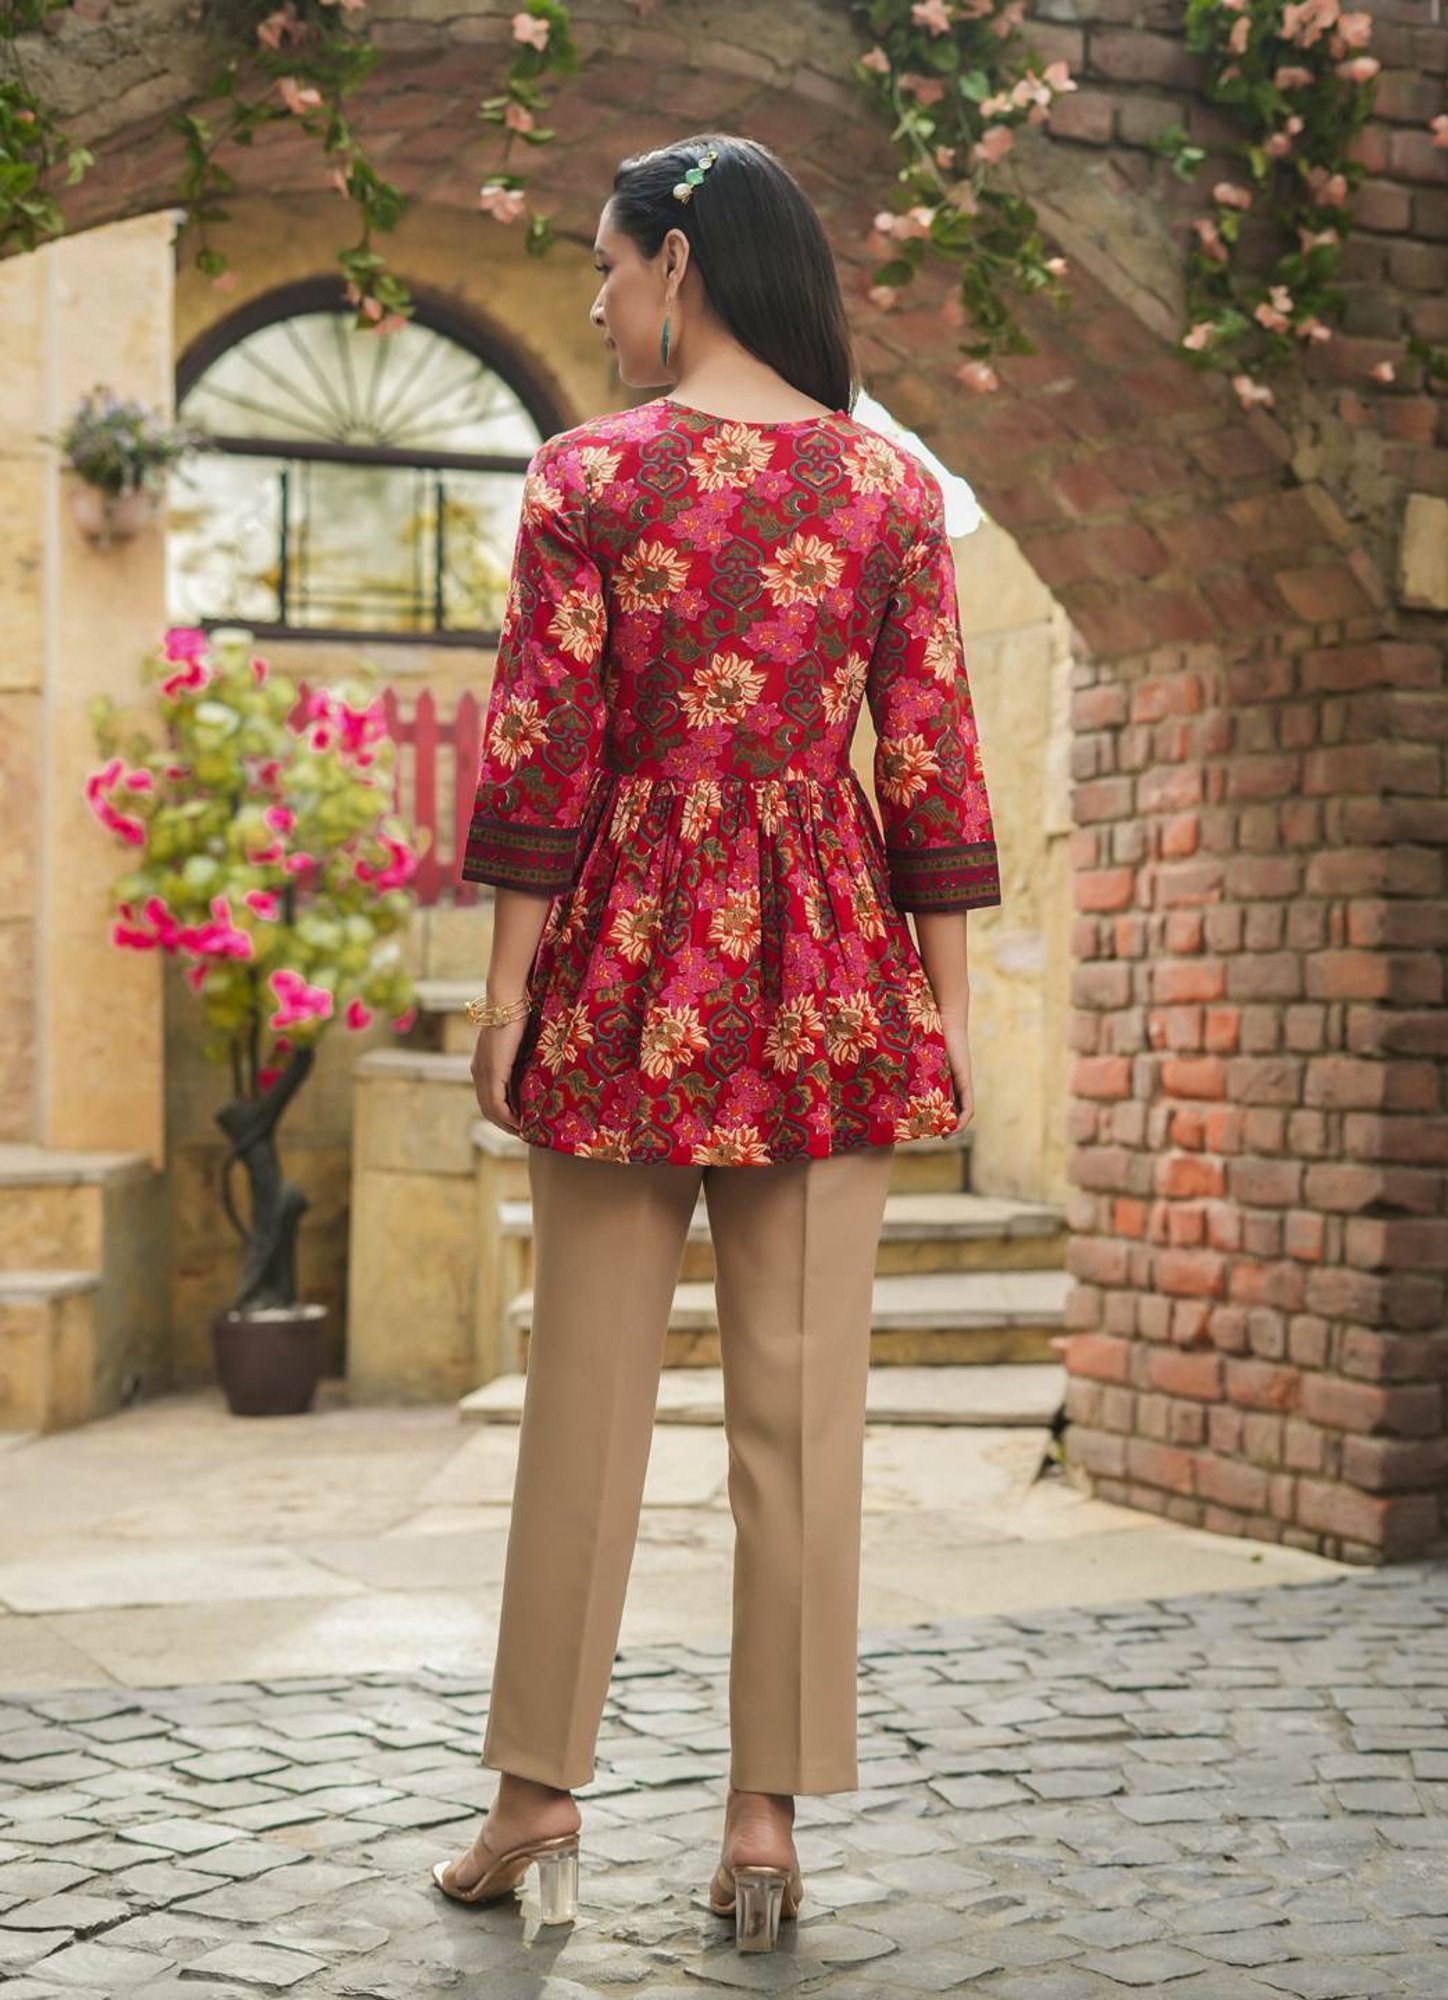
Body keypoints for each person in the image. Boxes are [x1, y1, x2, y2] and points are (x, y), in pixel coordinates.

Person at [431, 131, 1002, 1952]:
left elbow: (545, 751)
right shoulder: (890, 489)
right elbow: (933, 760)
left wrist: (505, 996)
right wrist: (949, 1015)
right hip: (836, 972)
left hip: (625, 965)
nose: (600, 304)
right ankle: (766, 1819)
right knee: (804, 1409)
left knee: (582, 1406)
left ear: (675, 262)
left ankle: (536, 1797)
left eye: (608, 268)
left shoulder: (587, 477)